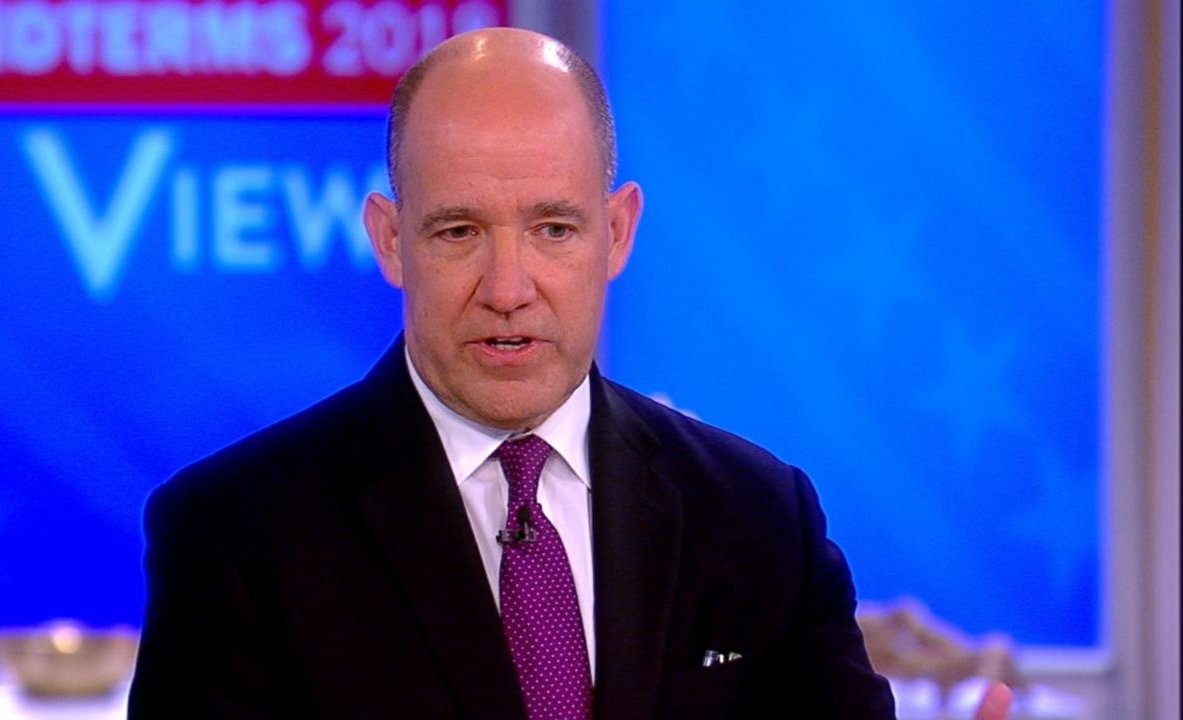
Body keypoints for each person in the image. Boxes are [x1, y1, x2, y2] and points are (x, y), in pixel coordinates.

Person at [129, 27, 1012, 719]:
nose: (508, 289)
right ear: (391, 242)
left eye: (553, 229)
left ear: (616, 234)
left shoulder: (759, 518)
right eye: (459, 231)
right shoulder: (235, 537)